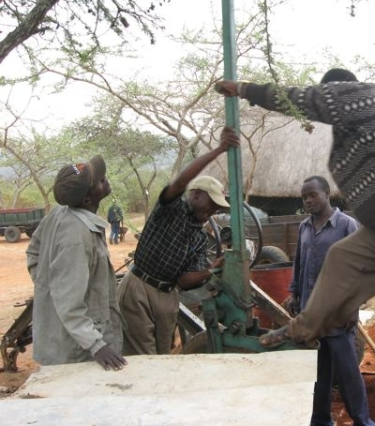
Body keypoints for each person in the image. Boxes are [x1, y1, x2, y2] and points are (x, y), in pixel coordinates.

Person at [215, 69, 375, 426]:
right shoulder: (371, 116)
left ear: (336, 89)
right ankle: (301, 328)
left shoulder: (357, 95)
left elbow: (304, 99)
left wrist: (244, 90)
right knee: (343, 257)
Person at [117, 126, 240, 355]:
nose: (213, 209)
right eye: (211, 202)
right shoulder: (171, 209)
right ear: (195, 195)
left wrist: (211, 270)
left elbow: (184, 281)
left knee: (162, 356)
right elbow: (180, 182)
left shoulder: (199, 237)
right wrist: (218, 150)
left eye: (217, 206)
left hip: (168, 297)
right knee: (142, 358)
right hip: (139, 288)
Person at [286, 175, 375, 426]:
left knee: (348, 373)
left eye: (312, 194)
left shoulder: (347, 226)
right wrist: (294, 292)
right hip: (310, 314)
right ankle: (320, 420)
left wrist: (352, 307)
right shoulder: (304, 227)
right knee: (318, 373)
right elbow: (299, 263)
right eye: (304, 197)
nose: (308, 200)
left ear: (326, 193)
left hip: (337, 315)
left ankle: (362, 421)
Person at [26, 155, 126, 371]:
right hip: (75, 352)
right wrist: (96, 345)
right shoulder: (77, 236)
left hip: (72, 340)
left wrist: (48, 285)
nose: (105, 180)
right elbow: (69, 303)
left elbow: (33, 253)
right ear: (87, 199)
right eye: (99, 181)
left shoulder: (58, 214)